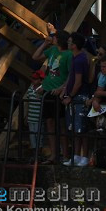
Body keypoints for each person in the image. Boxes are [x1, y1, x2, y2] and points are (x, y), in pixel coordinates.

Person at [31, 27, 71, 163]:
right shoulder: (53, 50)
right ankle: (54, 153)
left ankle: (65, 154)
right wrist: (44, 44)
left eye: (54, 37)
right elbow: (35, 57)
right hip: (48, 90)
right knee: (49, 122)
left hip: (58, 92)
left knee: (61, 123)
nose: (52, 38)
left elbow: (71, 74)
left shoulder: (69, 55)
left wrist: (62, 87)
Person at [61, 33, 92, 167]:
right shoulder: (75, 58)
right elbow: (71, 77)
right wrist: (64, 90)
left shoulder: (80, 60)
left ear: (74, 45)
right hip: (73, 96)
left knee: (82, 128)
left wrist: (70, 96)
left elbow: (78, 82)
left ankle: (84, 156)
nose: (67, 44)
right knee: (74, 128)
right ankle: (76, 155)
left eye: (69, 42)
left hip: (80, 96)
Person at [24, 69, 45, 151]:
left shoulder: (42, 90)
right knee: (32, 135)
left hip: (38, 117)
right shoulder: (30, 88)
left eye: (35, 79)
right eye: (32, 78)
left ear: (40, 80)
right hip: (31, 117)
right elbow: (28, 103)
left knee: (39, 135)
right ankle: (34, 151)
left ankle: (39, 151)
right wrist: (26, 115)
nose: (33, 80)